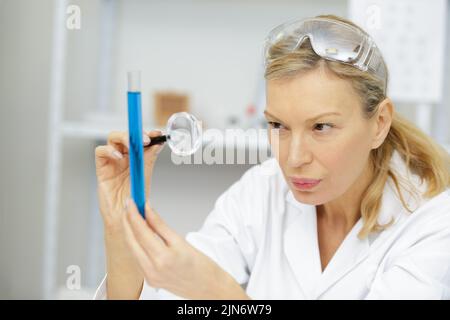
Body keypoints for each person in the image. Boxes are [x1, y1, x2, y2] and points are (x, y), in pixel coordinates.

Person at [93, 15, 450, 300]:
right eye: (278, 125)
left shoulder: (433, 221)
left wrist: (219, 293)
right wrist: (121, 221)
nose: (293, 158)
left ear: (379, 123)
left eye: (322, 127)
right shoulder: (262, 191)